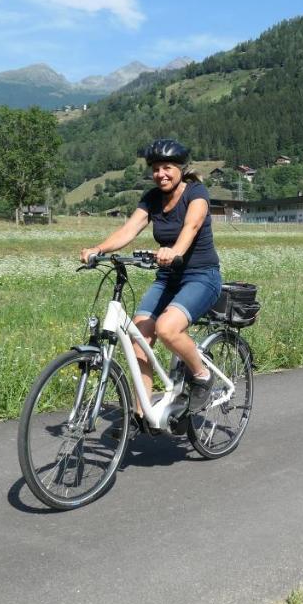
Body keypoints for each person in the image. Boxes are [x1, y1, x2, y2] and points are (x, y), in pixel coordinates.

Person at [80, 139, 222, 416]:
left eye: (167, 167)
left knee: (167, 328)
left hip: (201, 277)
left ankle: (202, 375)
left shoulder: (197, 193)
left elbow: (191, 227)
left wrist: (175, 251)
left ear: (180, 169)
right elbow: (129, 229)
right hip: (167, 279)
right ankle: (141, 414)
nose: (161, 174)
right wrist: (98, 249)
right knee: (139, 340)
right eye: (156, 169)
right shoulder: (152, 198)